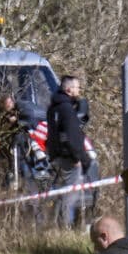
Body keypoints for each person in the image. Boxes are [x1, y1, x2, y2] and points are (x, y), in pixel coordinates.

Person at [46, 75, 92, 227]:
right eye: (77, 87)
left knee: (61, 193)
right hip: (69, 158)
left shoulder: (53, 107)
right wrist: (80, 158)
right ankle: (66, 227)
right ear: (69, 89)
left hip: (57, 155)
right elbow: (71, 137)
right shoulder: (66, 109)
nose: (79, 90)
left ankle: (57, 225)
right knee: (70, 194)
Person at [0, 94, 27, 192]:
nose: (10, 106)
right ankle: (6, 189)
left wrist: (17, 121)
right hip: (4, 148)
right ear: (3, 105)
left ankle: (20, 187)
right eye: (7, 104)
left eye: (11, 103)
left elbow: (23, 124)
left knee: (19, 168)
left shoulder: (18, 111)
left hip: (17, 147)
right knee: (6, 170)